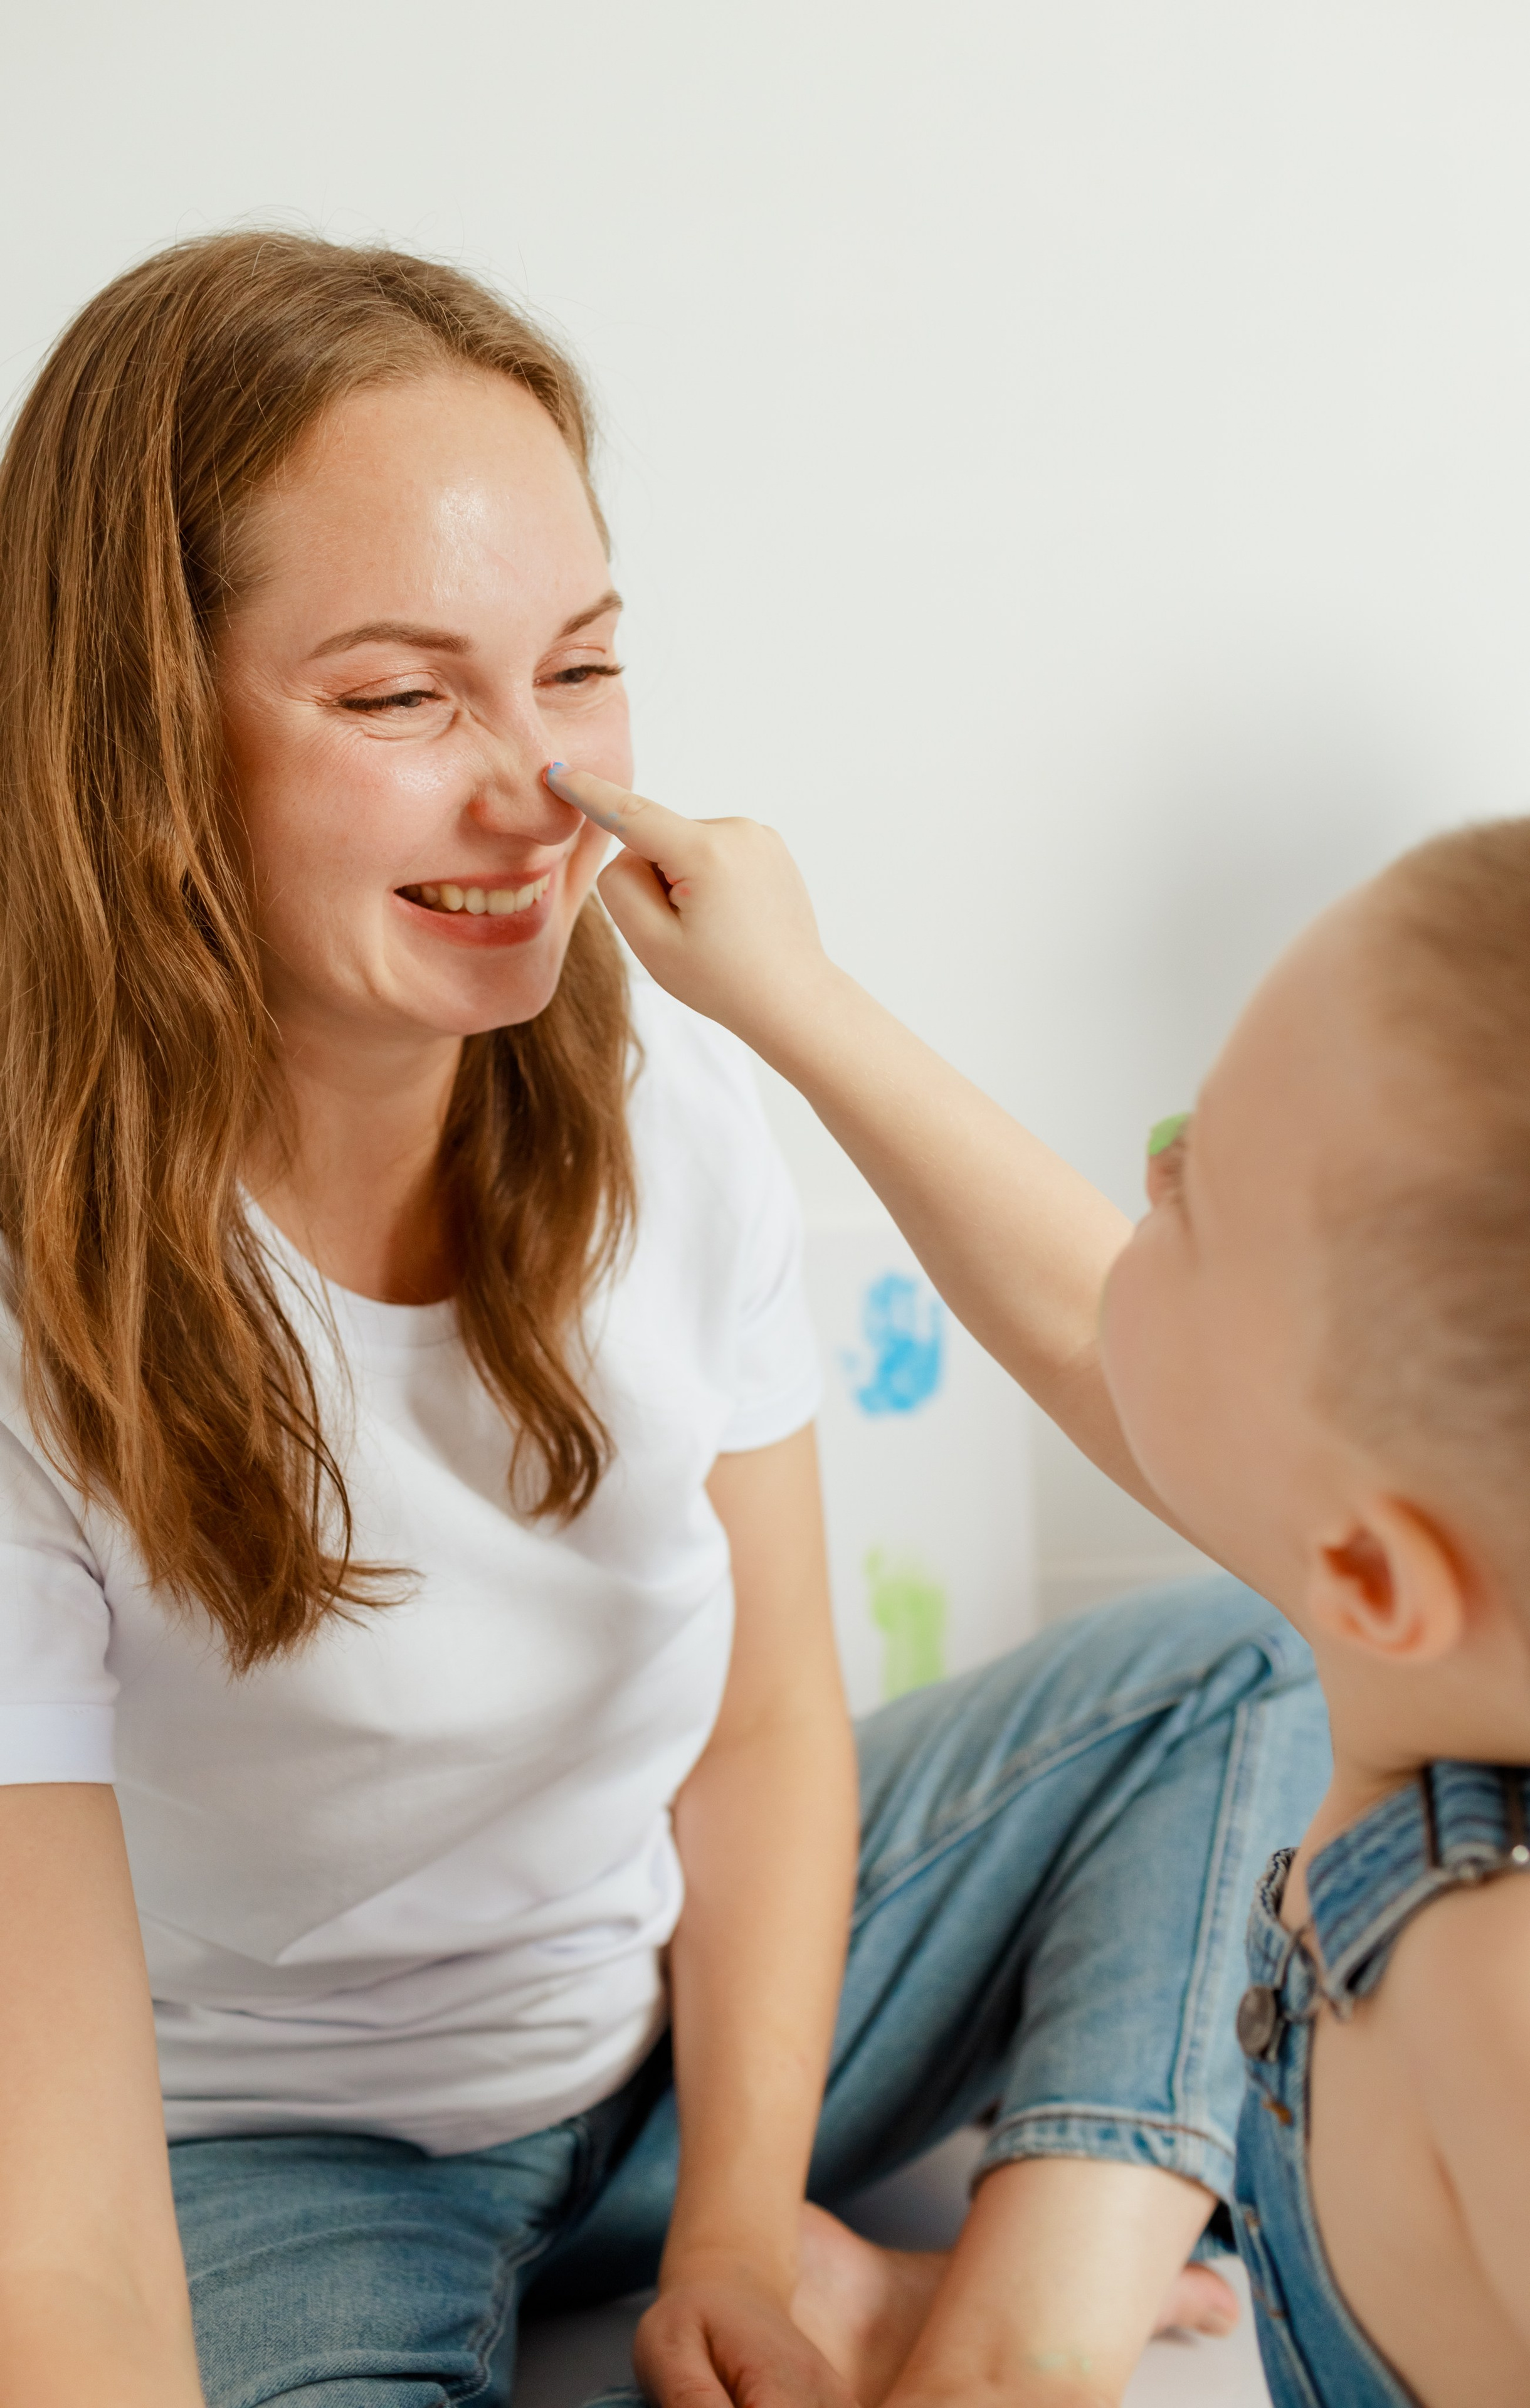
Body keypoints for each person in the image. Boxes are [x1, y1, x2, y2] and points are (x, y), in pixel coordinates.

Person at [0, 230, 1326, 2408]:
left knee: (1250, 1655)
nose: (531, 792)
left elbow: (770, 1730)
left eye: (577, 668)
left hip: (681, 2046)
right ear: (136, 742)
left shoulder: (668, 1092)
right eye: (403, 696)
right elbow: (37, 2258)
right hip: (290, 2154)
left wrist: (749, 2222)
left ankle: (1005, 2329)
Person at [545, 760, 1530, 2407]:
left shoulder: (1491, 1984)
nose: (1142, 1180)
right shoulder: (1415, 1614)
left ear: (1367, 1570)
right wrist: (796, 1000)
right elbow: (1097, 1326)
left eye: (1194, 1191)